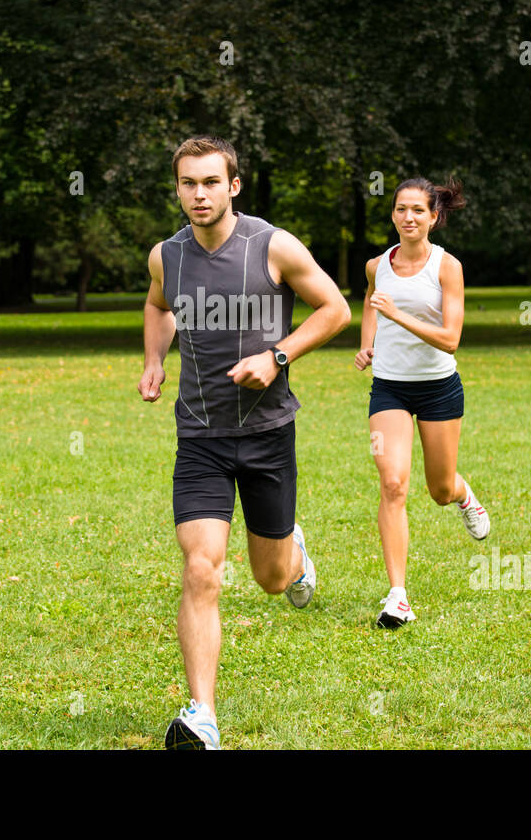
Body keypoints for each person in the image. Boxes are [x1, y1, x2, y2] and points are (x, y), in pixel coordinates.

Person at [139, 135, 351, 749]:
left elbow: (334, 309)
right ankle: (201, 715)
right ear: (177, 188)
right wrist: (154, 357)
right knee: (202, 569)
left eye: (211, 182)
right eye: (188, 184)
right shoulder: (166, 256)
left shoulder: (272, 246)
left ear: (233, 186)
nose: (199, 195)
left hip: (266, 434)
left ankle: (294, 552)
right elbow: (157, 305)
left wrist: (277, 355)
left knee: (270, 578)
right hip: (200, 437)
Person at [353, 176, 490, 630]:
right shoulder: (378, 265)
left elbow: (451, 340)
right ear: (392, 214)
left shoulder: (447, 267)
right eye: (400, 209)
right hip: (389, 387)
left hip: (437, 388)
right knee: (393, 483)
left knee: (438, 490)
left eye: (418, 210)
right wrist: (368, 343)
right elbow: (373, 306)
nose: (408, 217)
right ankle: (398, 596)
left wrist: (399, 315)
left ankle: (463, 494)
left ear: (434, 217)